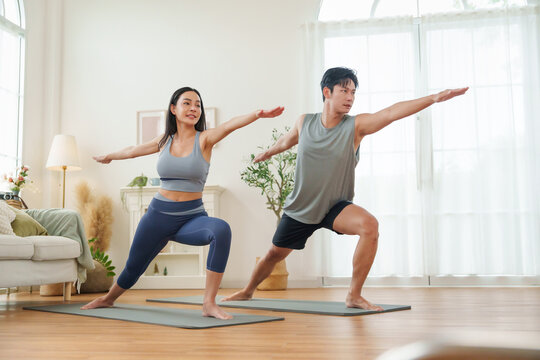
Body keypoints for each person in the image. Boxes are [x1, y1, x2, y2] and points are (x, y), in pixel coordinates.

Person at [224, 67, 468, 310]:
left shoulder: (356, 126)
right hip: (301, 207)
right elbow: (287, 140)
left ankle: (354, 295)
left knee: (369, 226)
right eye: (344, 91)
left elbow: (391, 112)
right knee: (273, 255)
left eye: (353, 92)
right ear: (327, 92)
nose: (350, 97)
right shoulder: (305, 122)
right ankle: (247, 291)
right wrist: (269, 152)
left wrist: (434, 98)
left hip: (335, 206)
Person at [81, 86, 284, 319]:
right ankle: (108, 299)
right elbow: (133, 150)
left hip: (191, 218)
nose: (193, 108)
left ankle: (209, 303)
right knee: (133, 269)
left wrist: (257, 114)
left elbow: (229, 125)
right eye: (187, 103)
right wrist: (109, 156)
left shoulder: (205, 139)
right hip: (157, 217)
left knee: (221, 230)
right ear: (173, 109)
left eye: (197, 104)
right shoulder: (164, 140)